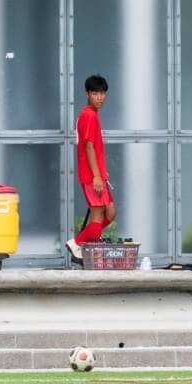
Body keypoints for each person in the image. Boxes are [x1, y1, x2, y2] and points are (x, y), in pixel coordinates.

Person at [68, 75, 112, 263]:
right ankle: (77, 243)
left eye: (102, 93)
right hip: (91, 176)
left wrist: (102, 173)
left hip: (97, 175)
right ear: (87, 94)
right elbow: (89, 146)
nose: (100, 97)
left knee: (110, 213)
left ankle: (84, 242)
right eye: (95, 93)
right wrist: (96, 176)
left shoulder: (92, 115)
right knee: (97, 217)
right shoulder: (89, 116)